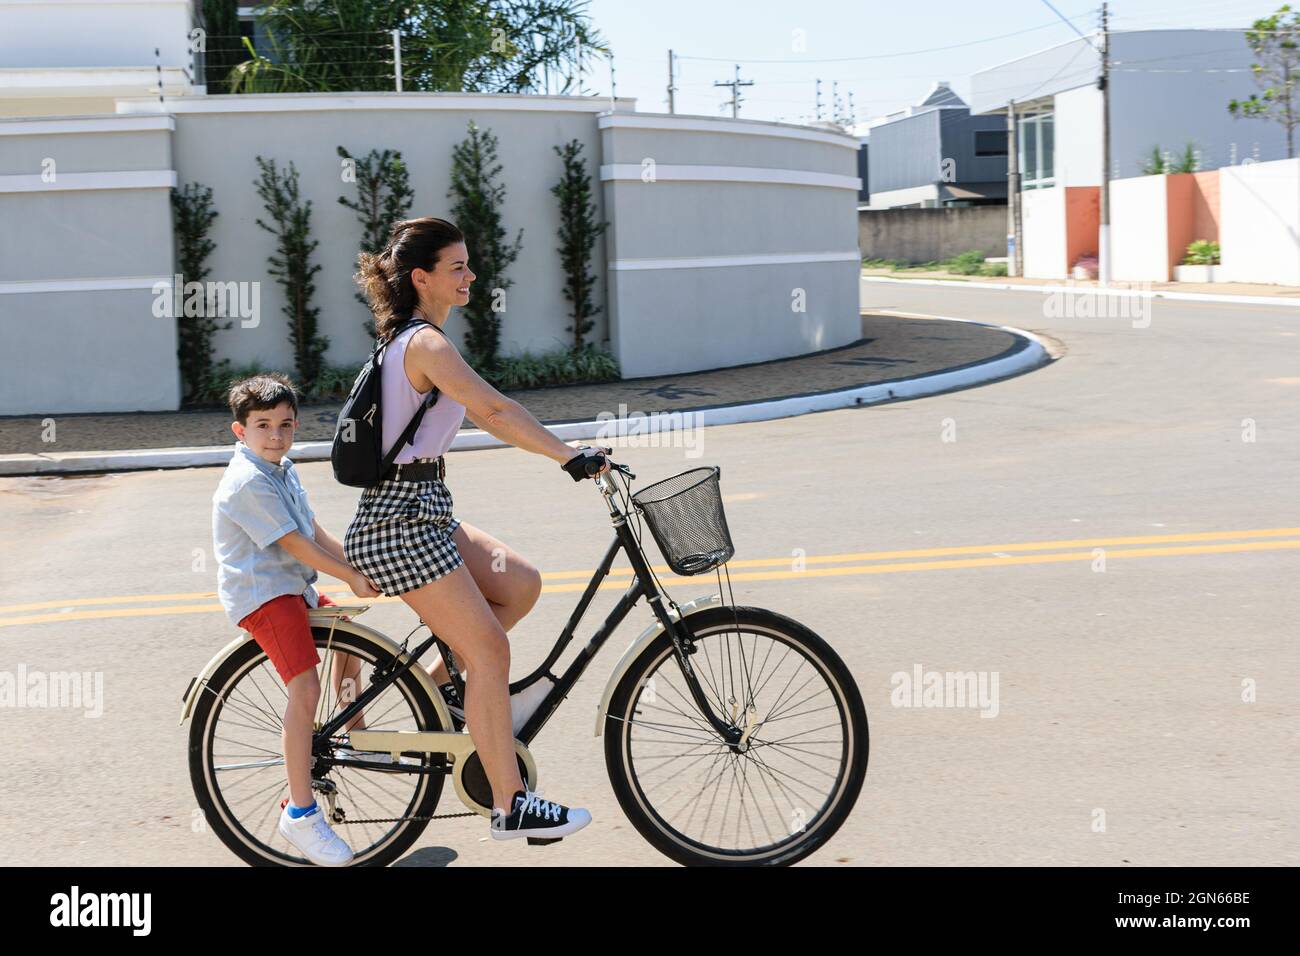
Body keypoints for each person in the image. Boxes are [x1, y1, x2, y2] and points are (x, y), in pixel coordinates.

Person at [345, 216, 609, 841]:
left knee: (518, 586)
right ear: (422, 278)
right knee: (491, 649)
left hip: (427, 509)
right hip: (399, 522)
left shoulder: (419, 341)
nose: (470, 275)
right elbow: (494, 410)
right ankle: (509, 805)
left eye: (468, 264)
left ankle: (440, 695)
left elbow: (487, 414)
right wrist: (567, 455)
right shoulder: (425, 346)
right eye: (457, 267)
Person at [212, 373, 383, 865]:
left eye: (285, 425)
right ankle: (301, 813)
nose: (276, 436)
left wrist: (357, 566)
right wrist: (348, 577)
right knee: (304, 688)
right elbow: (293, 544)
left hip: (293, 587)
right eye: (262, 426)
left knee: (349, 632)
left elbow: (312, 530)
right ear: (239, 431)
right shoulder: (246, 481)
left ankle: (352, 731)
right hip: (264, 595)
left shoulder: (281, 468)